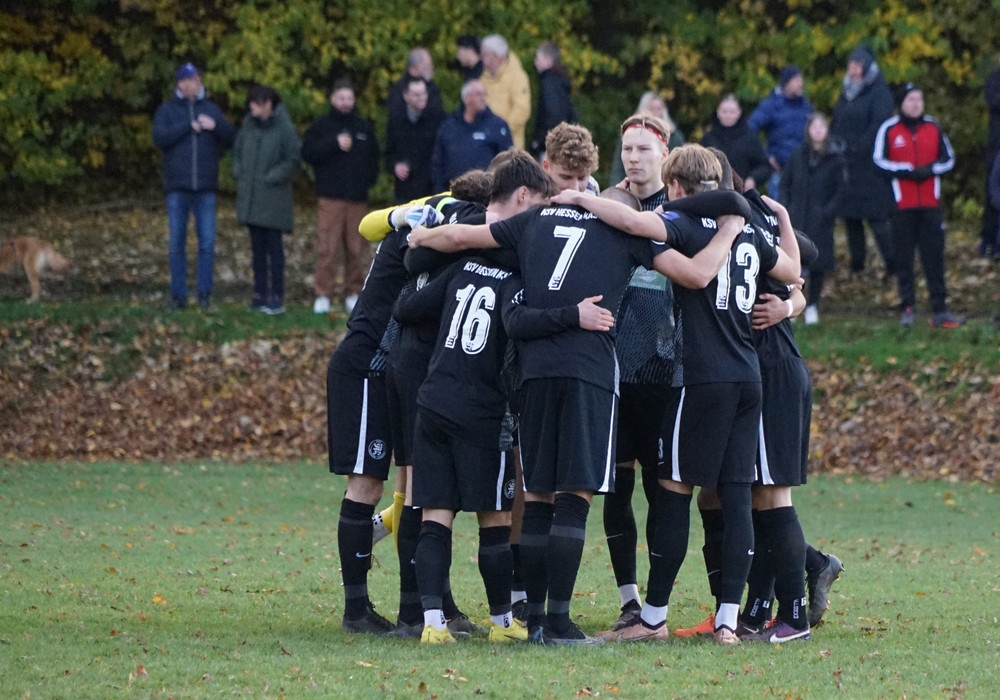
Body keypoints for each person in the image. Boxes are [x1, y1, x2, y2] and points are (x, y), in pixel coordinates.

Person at [411, 139, 756, 645]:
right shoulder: (624, 233)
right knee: (574, 497)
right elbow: (698, 274)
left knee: (537, 495)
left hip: (533, 371)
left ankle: (532, 619)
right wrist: (728, 230)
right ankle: (559, 621)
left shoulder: (535, 219)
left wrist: (420, 234)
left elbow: (462, 236)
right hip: (588, 371)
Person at [554, 145, 800, 646]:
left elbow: (634, 222)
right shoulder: (749, 228)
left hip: (701, 378)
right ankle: (729, 621)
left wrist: (581, 199)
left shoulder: (685, 224)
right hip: (748, 377)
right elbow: (794, 270)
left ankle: (652, 618)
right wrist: (783, 224)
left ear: (677, 186)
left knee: (673, 490)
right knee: (735, 494)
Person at [600, 114, 677, 633]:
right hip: (613, 369)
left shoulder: (681, 208)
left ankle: (654, 606)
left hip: (664, 370)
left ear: (664, 153)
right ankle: (629, 599)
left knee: (660, 488)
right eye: (627, 149)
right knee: (615, 487)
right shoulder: (608, 206)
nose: (633, 157)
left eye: (643, 149)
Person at [874, 83, 962, 328]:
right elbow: (878, 161)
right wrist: (906, 171)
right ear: (902, 103)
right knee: (904, 259)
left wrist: (931, 169)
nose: (915, 104)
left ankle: (940, 309)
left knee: (934, 257)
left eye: (919, 99)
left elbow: (949, 159)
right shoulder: (889, 129)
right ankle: (908, 307)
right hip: (902, 204)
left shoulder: (933, 126)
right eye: (911, 99)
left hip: (931, 204)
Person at [152, 62, 235, 310]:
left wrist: (215, 126)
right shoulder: (167, 110)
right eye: (189, 80)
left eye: (197, 79)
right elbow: (159, 138)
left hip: (206, 187)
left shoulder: (211, 109)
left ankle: (204, 294)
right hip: (177, 187)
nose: (194, 84)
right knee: (176, 244)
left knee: (206, 244)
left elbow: (231, 138)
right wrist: (188, 127)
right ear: (180, 84)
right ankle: (178, 295)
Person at [302, 79, 380, 315]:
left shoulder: (363, 127)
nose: (346, 103)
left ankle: (353, 292)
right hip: (330, 197)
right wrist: (333, 144)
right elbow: (308, 153)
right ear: (333, 99)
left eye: (349, 98)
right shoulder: (322, 125)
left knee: (356, 249)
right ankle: (323, 293)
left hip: (357, 198)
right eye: (342, 98)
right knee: (327, 248)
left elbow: (374, 159)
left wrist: (366, 183)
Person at [232, 84, 301, 315]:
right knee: (257, 250)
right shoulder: (248, 125)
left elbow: (293, 159)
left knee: (274, 250)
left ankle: (277, 297)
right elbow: (238, 151)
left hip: (274, 201)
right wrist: (239, 171)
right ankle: (259, 294)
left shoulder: (285, 128)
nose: (251, 108)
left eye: (255, 104)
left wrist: (271, 177)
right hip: (252, 199)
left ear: (267, 105)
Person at [830, 45, 896, 276]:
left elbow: (880, 124)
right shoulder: (846, 91)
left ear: (867, 67)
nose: (853, 70)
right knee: (851, 219)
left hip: (870, 166)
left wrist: (859, 145)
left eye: (858, 65)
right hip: (846, 165)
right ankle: (857, 266)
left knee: (877, 219)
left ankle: (894, 266)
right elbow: (837, 120)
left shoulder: (879, 92)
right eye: (851, 65)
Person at [781, 112, 847, 325]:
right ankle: (792, 304)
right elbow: (785, 183)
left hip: (822, 221)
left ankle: (812, 305)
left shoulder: (835, 158)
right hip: (797, 218)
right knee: (793, 263)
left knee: (819, 264)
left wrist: (828, 212)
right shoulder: (797, 155)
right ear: (808, 130)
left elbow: (841, 190)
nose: (818, 131)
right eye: (814, 126)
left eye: (822, 126)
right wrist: (787, 209)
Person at [430, 80, 513, 192]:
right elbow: (438, 160)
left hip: (487, 192)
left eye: (484, 94)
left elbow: (507, 159)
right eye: (478, 94)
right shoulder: (449, 126)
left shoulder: (497, 126)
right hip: (453, 192)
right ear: (467, 98)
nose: (483, 98)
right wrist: (439, 188)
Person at [747, 65, 813, 200]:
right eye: (796, 80)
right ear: (786, 83)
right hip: (779, 170)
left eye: (801, 80)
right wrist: (766, 156)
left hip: (803, 170)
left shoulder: (806, 107)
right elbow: (749, 130)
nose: (800, 84)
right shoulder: (771, 105)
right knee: (779, 208)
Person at [385, 77, 443, 204]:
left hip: (430, 190)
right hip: (405, 190)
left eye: (423, 93)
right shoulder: (396, 121)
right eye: (416, 95)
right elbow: (388, 153)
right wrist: (395, 166)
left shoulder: (438, 119)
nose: (421, 98)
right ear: (406, 96)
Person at [608, 91, 685, 186]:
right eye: (652, 109)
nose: (656, 113)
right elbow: (617, 167)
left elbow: (679, 168)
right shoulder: (630, 135)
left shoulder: (675, 137)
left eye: (659, 109)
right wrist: (615, 189)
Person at [700, 94, 772, 192]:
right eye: (724, 111)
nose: (728, 115)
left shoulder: (750, 139)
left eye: (732, 112)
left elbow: (764, 167)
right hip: (713, 192)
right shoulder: (708, 139)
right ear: (718, 112)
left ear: (739, 113)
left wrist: (753, 179)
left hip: (742, 193)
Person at [480, 34, 532, 150]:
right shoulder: (483, 77)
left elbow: (522, 110)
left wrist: (502, 130)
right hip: (485, 142)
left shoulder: (517, 76)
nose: (481, 58)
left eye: (484, 54)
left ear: (496, 56)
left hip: (509, 144)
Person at [529, 42, 578, 159]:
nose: (535, 62)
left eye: (538, 58)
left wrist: (540, 141)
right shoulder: (559, 81)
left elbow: (552, 114)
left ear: (548, 60)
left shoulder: (549, 82)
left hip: (551, 146)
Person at [387, 48, 445, 130]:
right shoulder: (398, 89)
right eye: (429, 64)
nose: (432, 67)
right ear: (418, 65)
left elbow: (439, 114)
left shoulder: (432, 87)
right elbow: (396, 118)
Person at [978, 62, 1000, 258]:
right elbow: (994, 102)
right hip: (997, 146)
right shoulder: (994, 79)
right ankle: (990, 241)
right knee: (993, 194)